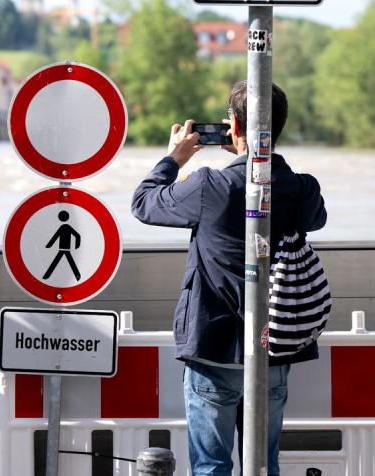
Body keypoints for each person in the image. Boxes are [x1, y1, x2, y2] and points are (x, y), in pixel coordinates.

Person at [130, 81, 327, 476]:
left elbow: (143, 203)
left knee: (211, 467)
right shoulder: (302, 187)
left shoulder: (209, 186)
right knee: (263, 464)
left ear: (233, 127)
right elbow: (316, 219)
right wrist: (252, 157)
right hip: (274, 350)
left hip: (215, 348)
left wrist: (174, 158)